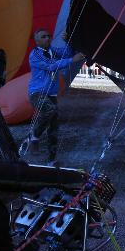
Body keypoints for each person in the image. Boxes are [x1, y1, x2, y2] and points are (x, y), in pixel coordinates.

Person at [26, 29, 85, 165]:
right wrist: (71, 60)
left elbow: (68, 53)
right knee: (49, 110)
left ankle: (51, 160)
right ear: (37, 40)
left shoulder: (53, 50)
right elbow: (51, 66)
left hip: (51, 94)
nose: (47, 38)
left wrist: (68, 41)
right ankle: (34, 136)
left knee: (54, 128)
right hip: (37, 93)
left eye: (49, 36)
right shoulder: (34, 55)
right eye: (43, 36)